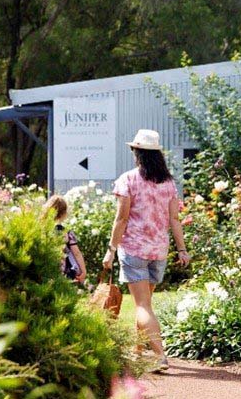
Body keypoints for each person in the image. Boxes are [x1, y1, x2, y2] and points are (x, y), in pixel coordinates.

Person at [102, 129, 190, 372]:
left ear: (137, 153)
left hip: (134, 250)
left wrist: (110, 250)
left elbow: (121, 219)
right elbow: (175, 219)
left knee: (142, 306)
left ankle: (160, 356)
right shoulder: (168, 183)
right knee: (146, 303)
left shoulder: (128, 180)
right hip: (158, 251)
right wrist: (182, 249)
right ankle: (137, 350)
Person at [43, 195, 87, 284]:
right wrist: (83, 271)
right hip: (64, 272)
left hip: (45, 270)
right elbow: (77, 253)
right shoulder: (66, 233)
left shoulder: (43, 230)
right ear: (64, 213)